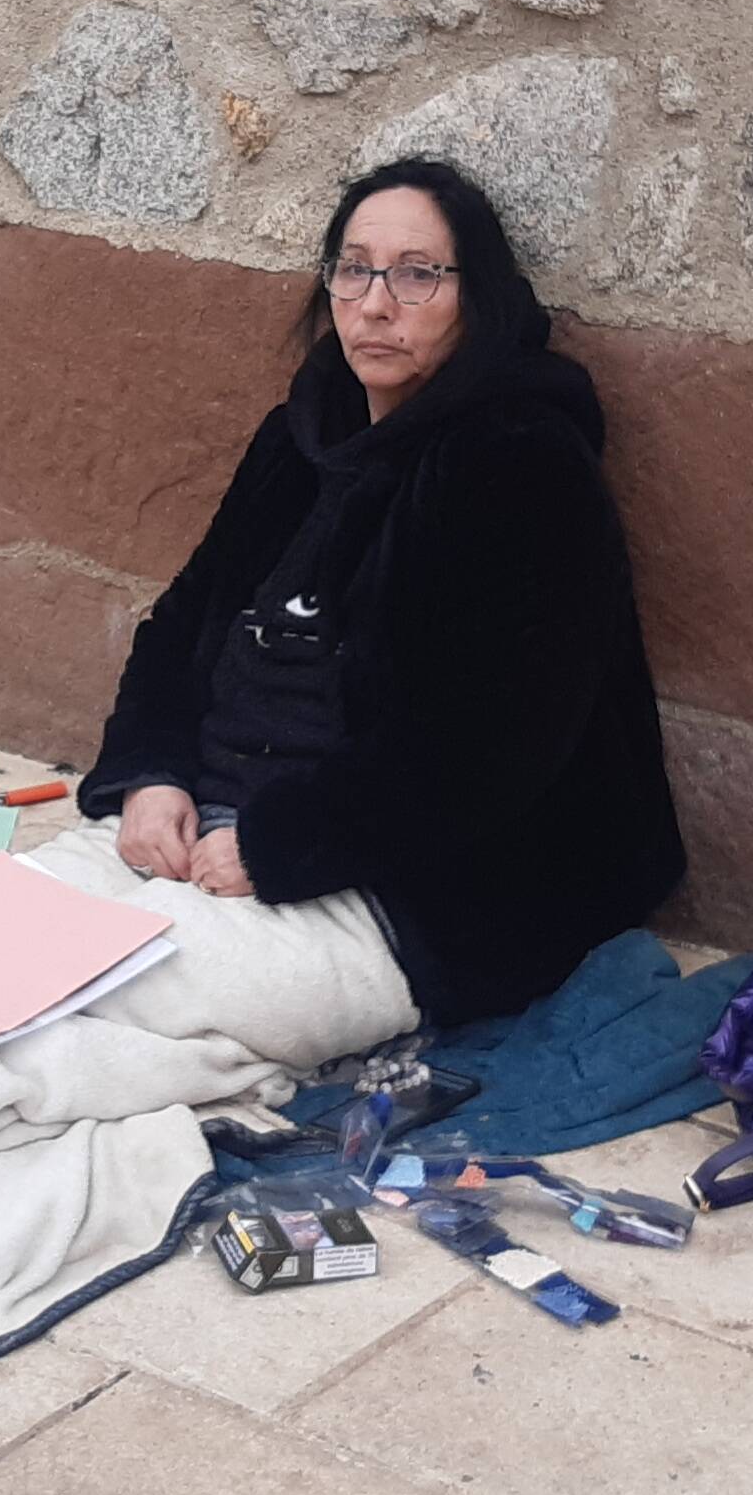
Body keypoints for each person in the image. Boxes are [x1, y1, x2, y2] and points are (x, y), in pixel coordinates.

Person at [73, 155, 684, 1027]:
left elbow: (493, 744)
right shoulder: (297, 438)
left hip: (410, 887)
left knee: (111, 1016)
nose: (374, 304)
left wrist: (280, 846)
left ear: (476, 297)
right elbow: (179, 625)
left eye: (416, 275)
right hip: (204, 828)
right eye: (352, 269)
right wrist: (148, 776)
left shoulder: (518, 460)